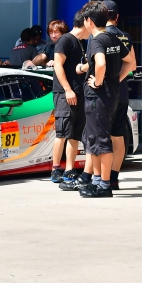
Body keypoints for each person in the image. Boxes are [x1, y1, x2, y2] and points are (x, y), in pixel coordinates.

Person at [76, 1, 134, 198]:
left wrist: (99, 82)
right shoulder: (114, 38)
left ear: (89, 21)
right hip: (111, 96)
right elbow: (131, 63)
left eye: (85, 20)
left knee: (100, 141)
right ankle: (98, 181)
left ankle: (104, 185)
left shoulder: (97, 40)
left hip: (98, 97)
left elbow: (100, 63)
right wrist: (114, 80)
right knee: (98, 140)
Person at [50, 12, 89, 184]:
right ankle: (56, 168)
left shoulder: (82, 42)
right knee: (62, 132)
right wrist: (67, 89)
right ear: (85, 24)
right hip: (65, 93)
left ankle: (69, 169)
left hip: (80, 92)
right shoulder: (65, 40)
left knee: (74, 134)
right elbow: (58, 65)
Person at [103, 0, 137, 190]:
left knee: (101, 136)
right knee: (118, 136)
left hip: (103, 93)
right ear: (117, 17)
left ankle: (102, 178)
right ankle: (114, 177)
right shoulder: (126, 37)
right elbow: (132, 65)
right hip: (121, 92)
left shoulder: (99, 37)